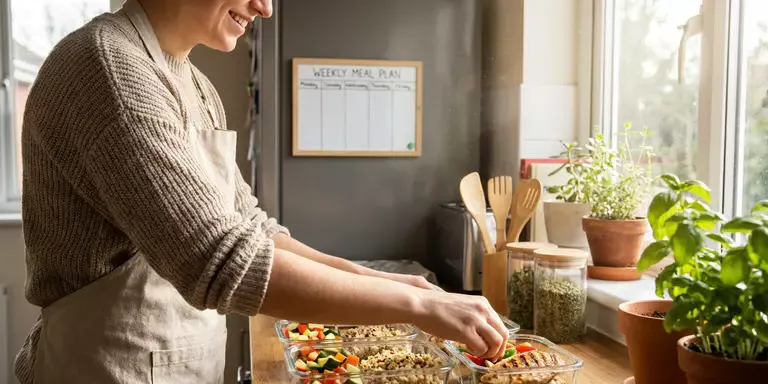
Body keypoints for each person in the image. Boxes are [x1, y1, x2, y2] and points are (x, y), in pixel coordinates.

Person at [14, 0, 507, 382]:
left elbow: (250, 228)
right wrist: (421, 308)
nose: (265, 8)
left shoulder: (194, 85)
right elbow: (218, 259)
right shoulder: (106, 67)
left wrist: (390, 284)